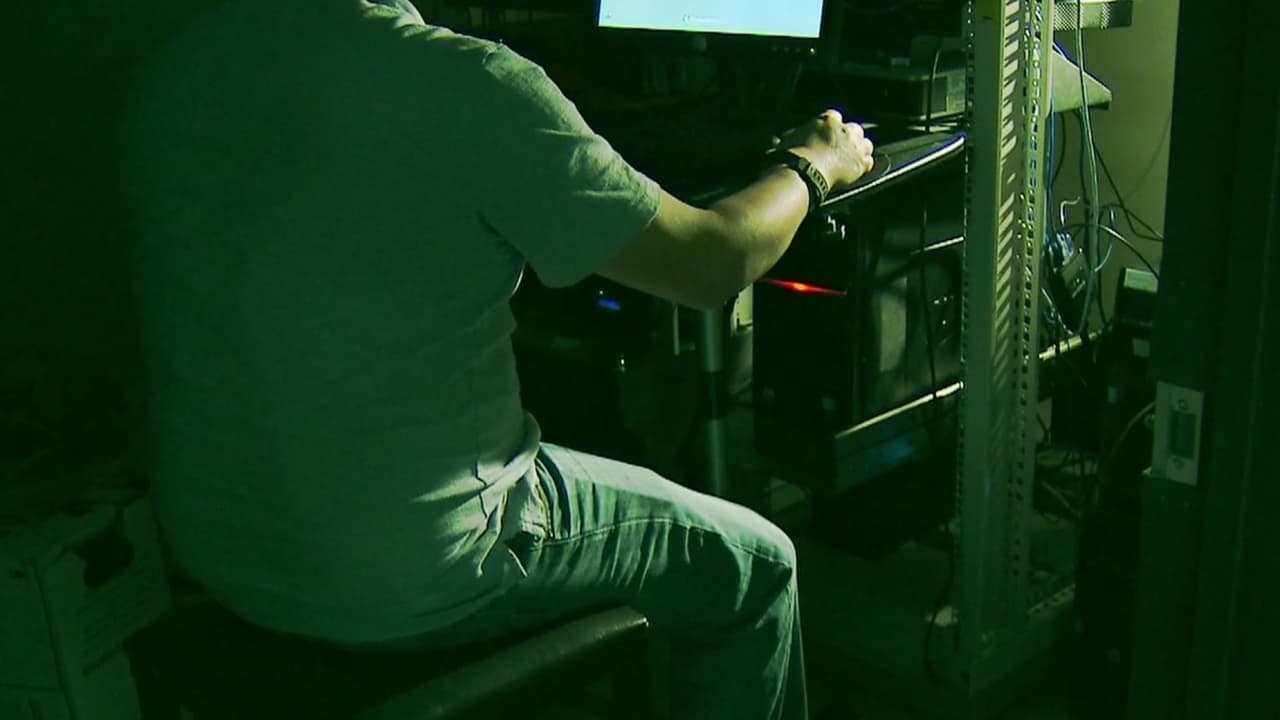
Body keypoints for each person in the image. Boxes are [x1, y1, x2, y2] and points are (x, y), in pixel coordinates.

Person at [121, 1, 874, 718]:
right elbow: (713, 262)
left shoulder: (177, 69)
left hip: (218, 549)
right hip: (405, 573)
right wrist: (814, 162)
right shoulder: (464, 82)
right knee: (759, 564)